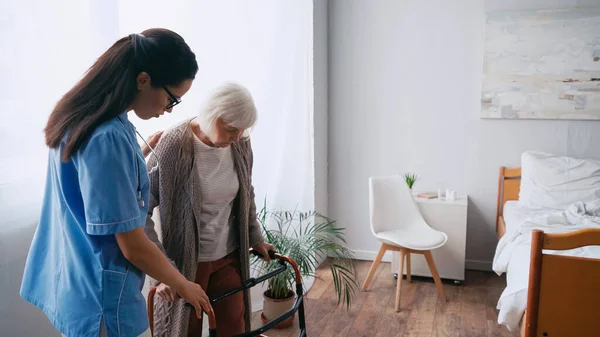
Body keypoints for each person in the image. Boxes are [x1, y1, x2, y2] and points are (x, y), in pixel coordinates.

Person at [19, 29, 212, 337]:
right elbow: (133, 245)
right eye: (172, 98)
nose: (170, 109)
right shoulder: (107, 138)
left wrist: (140, 152)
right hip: (101, 296)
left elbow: (93, 185)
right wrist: (181, 283)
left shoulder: (81, 115)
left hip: (73, 279)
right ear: (143, 79)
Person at [144, 83, 275, 337]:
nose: (237, 137)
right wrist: (161, 271)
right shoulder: (173, 145)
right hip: (185, 267)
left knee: (234, 328)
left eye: (242, 131)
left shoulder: (239, 143)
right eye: (231, 130)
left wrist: (256, 237)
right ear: (212, 116)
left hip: (228, 257)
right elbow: (139, 212)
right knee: (184, 332)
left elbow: (245, 193)